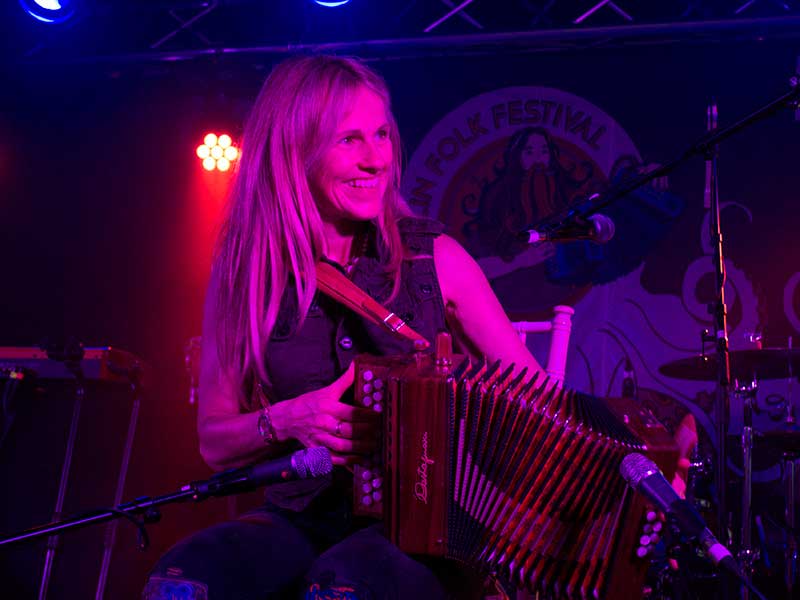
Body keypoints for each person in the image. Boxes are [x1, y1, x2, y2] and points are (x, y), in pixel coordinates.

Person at [143, 55, 547, 600]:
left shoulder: (437, 260)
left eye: (381, 134)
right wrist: (288, 419)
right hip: (298, 517)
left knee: (345, 586)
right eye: (349, 140)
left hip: (422, 531)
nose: (376, 159)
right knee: (185, 578)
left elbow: (544, 405)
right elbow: (214, 442)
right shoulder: (246, 273)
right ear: (295, 154)